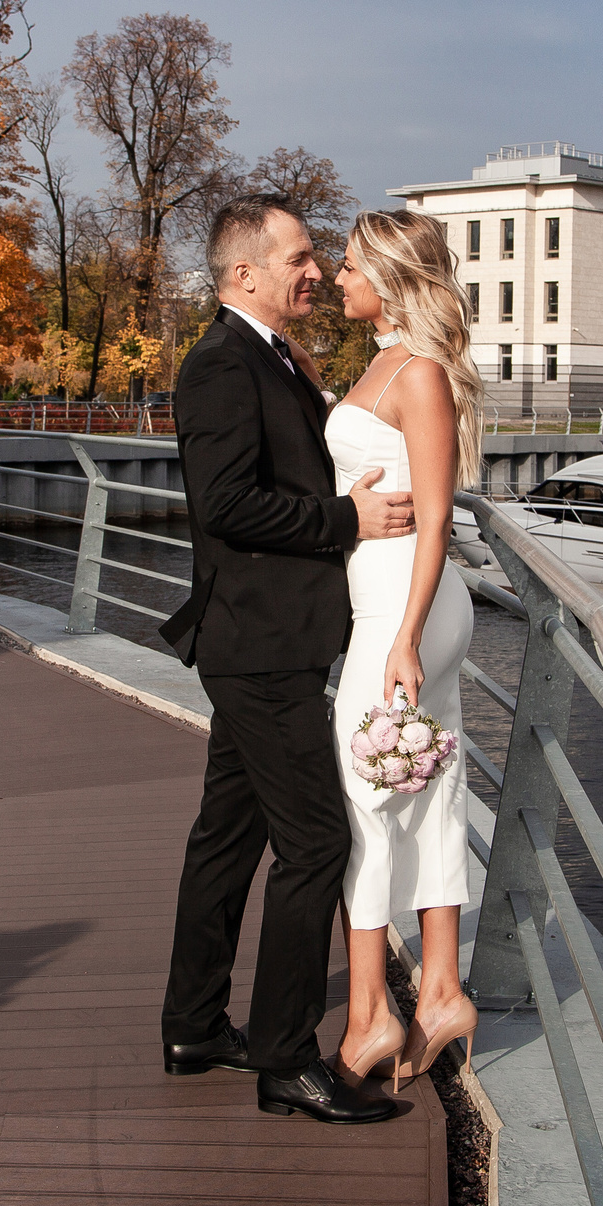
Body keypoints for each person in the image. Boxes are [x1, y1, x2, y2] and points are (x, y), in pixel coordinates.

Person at [158, 194, 416, 1125]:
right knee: (316, 842)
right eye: (300, 257)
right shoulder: (223, 364)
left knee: (228, 838)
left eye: (315, 258)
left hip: (264, 639)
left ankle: (193, 1025)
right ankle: (283, 1059)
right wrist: (348, 521)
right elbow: (226, 505)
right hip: (260, 646)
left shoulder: (269, 357)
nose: (314, 270)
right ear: (245, 274)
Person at [327, 209, 483, 1090]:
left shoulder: (417, 372)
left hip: (401, 609)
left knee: (366, 798)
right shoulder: (384, 362)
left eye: (349, 266)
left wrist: (406, 637)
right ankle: (442, 992)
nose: (338, 279)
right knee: (427, 793)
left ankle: (369, 1018)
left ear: (387, 277)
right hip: (388, 604)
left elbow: (437, 517)